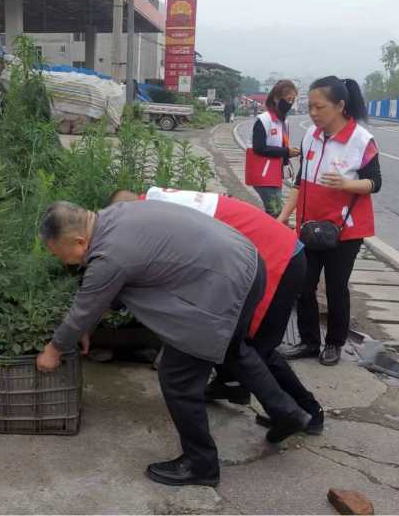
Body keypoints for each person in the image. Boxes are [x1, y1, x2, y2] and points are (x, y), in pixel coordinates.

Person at [35, 200, 312, 487]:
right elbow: (103, 297)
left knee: (177, 377)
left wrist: (53, 350)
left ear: (79, 241)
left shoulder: (109, 255)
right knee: (231, 349)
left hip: (223, 284)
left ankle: (201, 465)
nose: (64, 262)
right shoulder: (115, 215)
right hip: (249, 264)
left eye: (60, 255)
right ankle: (287, 413)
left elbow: (86, 306)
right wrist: (85, 323)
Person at [110, 188, 323, 433]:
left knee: (255, 349)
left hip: (279, 258)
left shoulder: (157, 220)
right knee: (230, 337)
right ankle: (232, 385)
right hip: (267, 253)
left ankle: (308, 412)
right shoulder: (159, 204)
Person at [278, 76, 382, 366]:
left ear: (339, 105)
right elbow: (300, 182)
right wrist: (284, 217)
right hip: (309, 228)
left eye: (318, 107)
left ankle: (334, 343)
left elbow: (375, 183)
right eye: (309, 106)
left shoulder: (361, 140)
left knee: (336, 288)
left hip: (345, 231)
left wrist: (347, 185)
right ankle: (309, 342)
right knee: (303, 285)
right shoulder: (310, 135)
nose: (312, 113)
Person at [245, 80, 301, 217]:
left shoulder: (283, 122)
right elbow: (259, 148)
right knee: (276, 213)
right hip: (263, 174)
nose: (290, 103)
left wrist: (288, 153)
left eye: (293, 100)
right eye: (288, 99)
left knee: (275, 213)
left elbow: (281, 145)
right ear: (276, 98)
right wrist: (286, 151)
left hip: (274, 173)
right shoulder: (264, 120)